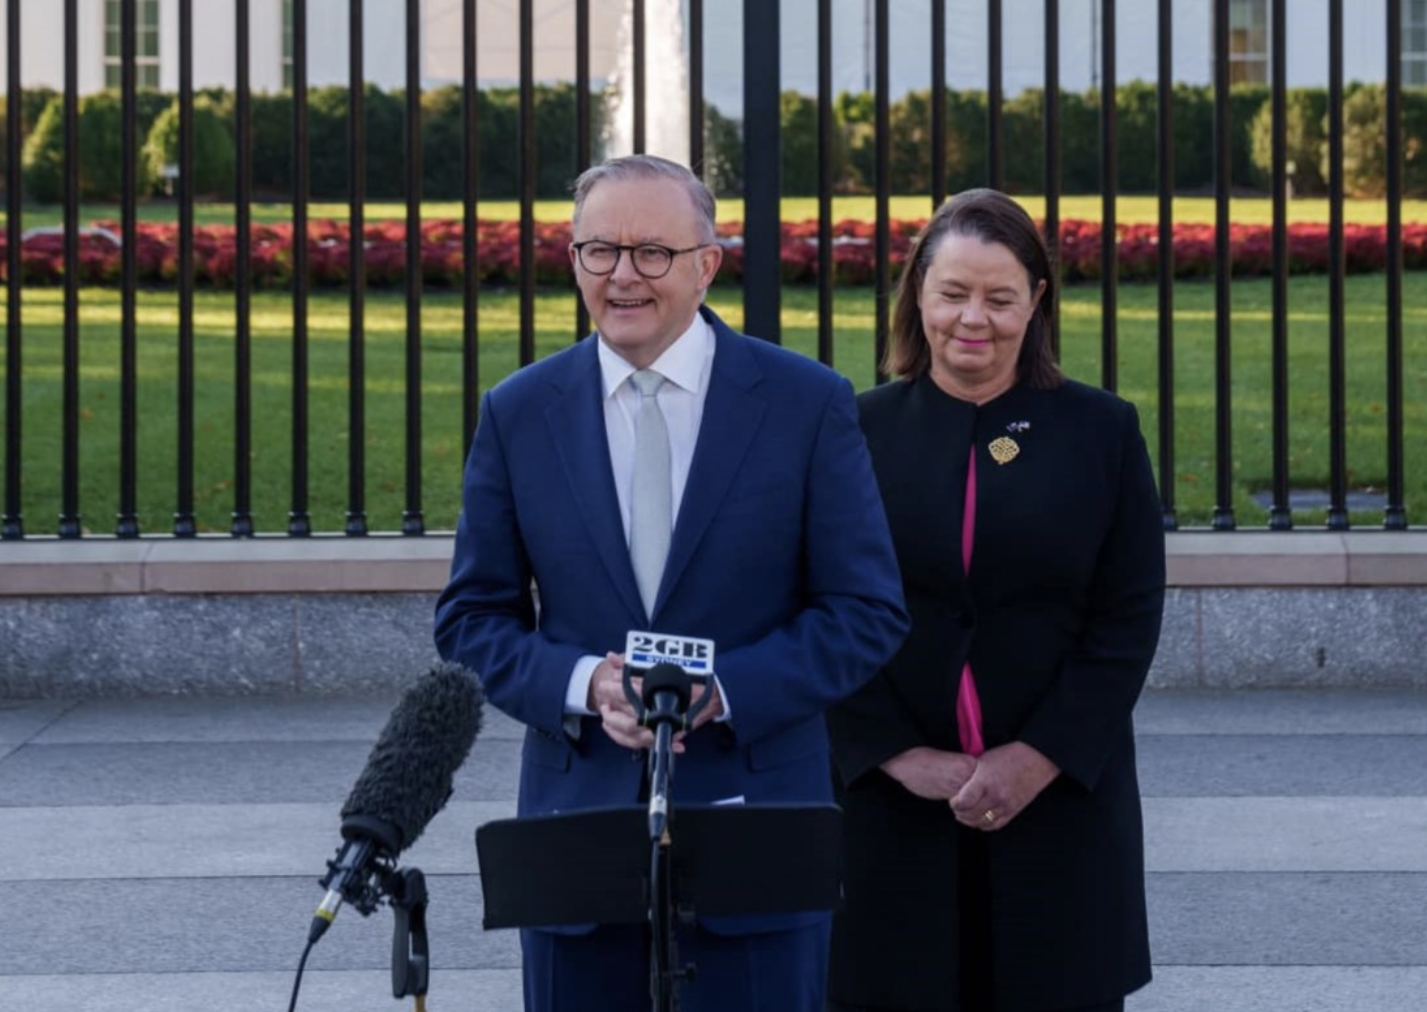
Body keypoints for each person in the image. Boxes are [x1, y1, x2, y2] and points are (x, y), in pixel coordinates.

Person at [433, 153, 908, 1012]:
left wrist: (726, 691)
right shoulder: (519, 411)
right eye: (599, 250)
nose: (623, 275)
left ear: (706, 264)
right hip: (577, 845)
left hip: (757, 837)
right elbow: (473, 618)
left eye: (652, 252)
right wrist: (588, 684)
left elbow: (865, 610)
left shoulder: (806, 404)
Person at [825, 189, 1166, 1012]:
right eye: (952, 293)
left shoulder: (1103, 432)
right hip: (888, 812)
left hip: (1060, 809)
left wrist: (1036, 757)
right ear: (918, 294)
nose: (973, 318)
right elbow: (819, 605)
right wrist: (897, 754)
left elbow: (1126, 620)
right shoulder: (851, 431)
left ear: (1037, 300)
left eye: (1000, 297)